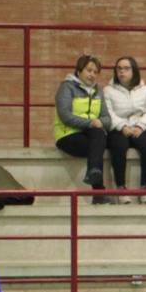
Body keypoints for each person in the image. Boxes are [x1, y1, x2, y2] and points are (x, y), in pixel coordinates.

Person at [100, 55, 146, 205]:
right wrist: (122, 126)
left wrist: (141, 126)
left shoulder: (145, 90)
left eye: (126, 68)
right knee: (119, 146)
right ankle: (121, 188)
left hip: (139, 127)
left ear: (134, 70)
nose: (121, 71)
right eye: (119, 68)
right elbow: (108, 112)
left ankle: (145, 188)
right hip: (118, 128)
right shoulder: (108, 90)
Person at [53, 55, 110, 200]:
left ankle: (94, 175)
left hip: (91, 135)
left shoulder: (98, 91)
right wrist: (91, 123)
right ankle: (99, 192)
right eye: (89, 70)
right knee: (98, 140)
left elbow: (107, 119)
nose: (92, 75)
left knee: (102, 136)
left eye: (95, 72)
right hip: (68, 136)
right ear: (79, 71)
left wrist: (98, 123)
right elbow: (65, 115)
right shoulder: (66, 87)